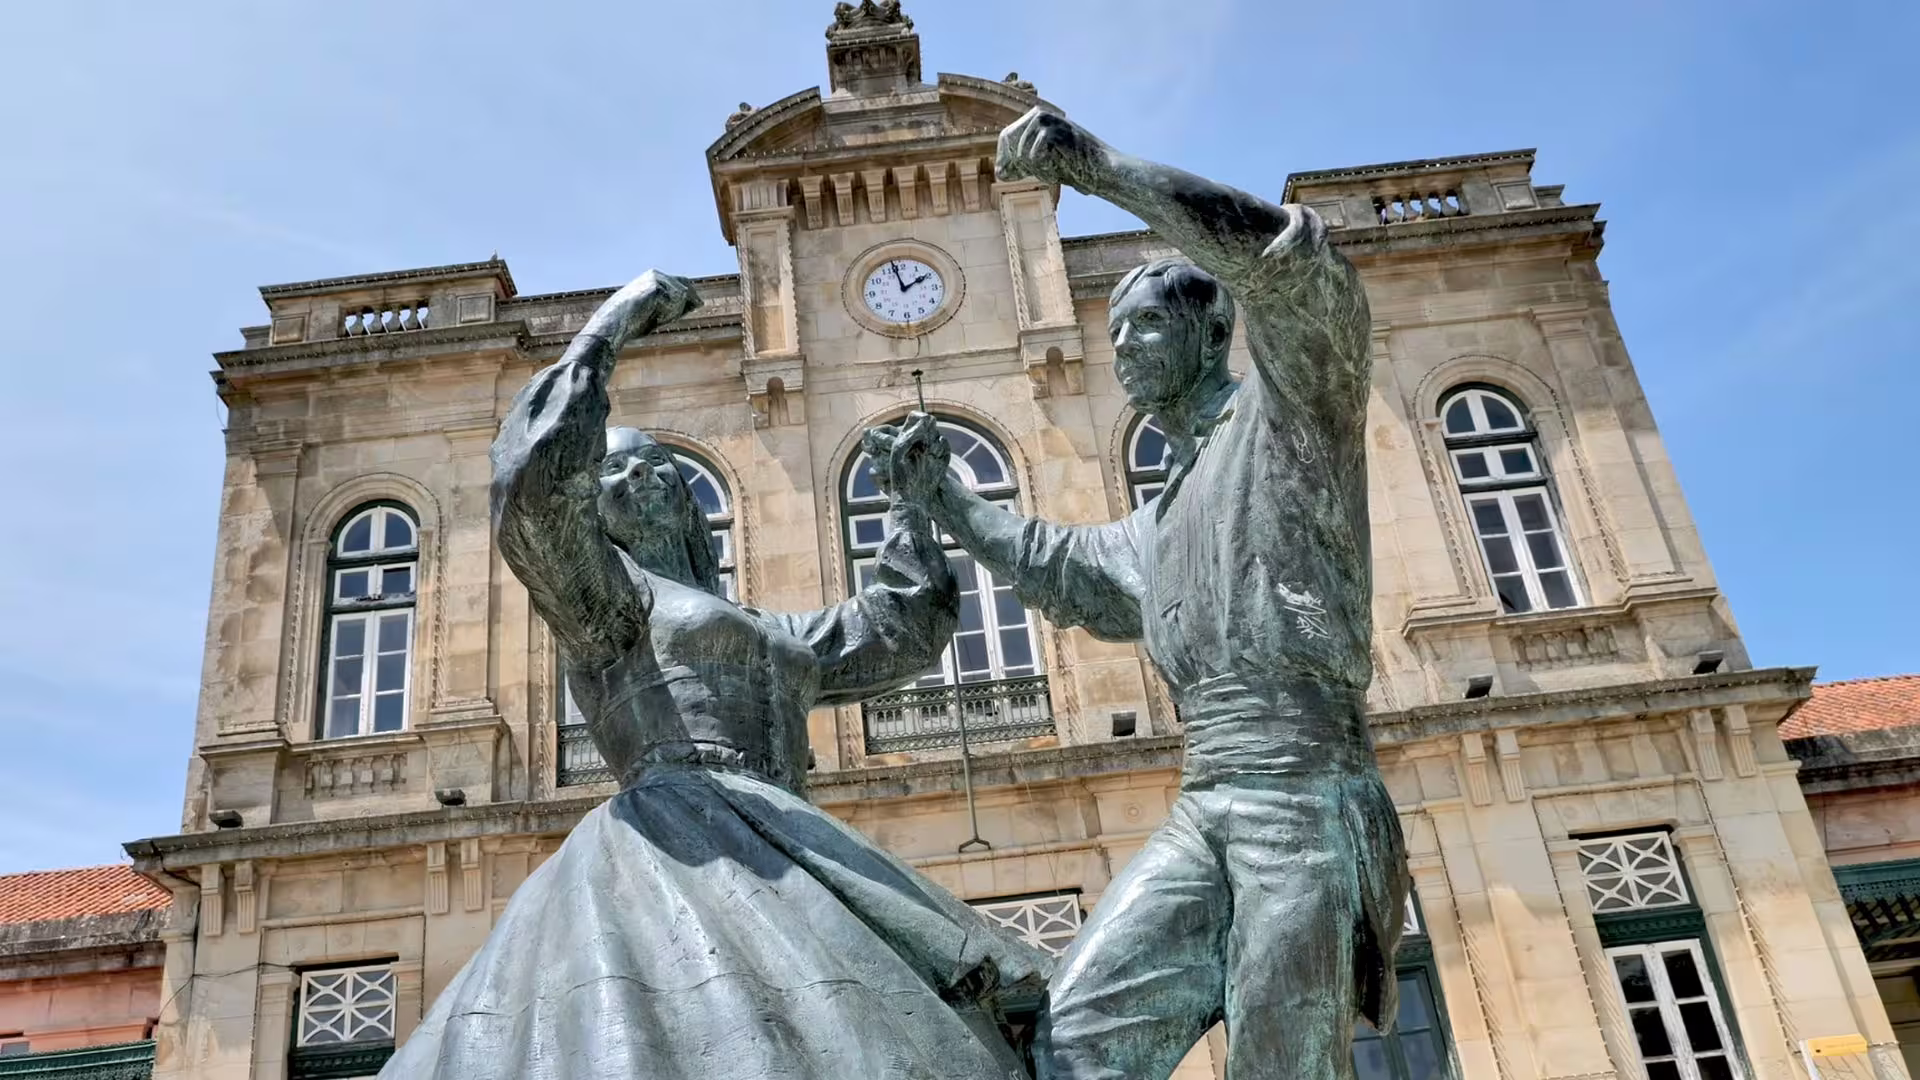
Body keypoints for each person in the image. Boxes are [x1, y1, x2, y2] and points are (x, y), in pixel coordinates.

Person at [383, 270, 1045, 1080]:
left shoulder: (772, 630)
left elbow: (897, 631)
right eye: (613, 474)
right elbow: (530, 495)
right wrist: (610, 330)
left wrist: (910, 503)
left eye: (657, 463)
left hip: (786, 835)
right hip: (675, 836)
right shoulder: (607, 604)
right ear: (594, 515)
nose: (640, 476)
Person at [867, 109, 1409, 1080]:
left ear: (1214, 331)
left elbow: (1295, 263)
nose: (1122, 348)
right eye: (1113, 333)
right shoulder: (1162, 518)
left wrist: (1100, 170)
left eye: (1146, 324)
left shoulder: (1292, 418)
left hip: (1305, 795)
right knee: (1070, 1047)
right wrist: (941, 496)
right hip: (1210, 802)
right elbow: (1056, 563)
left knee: (1283, 1065)